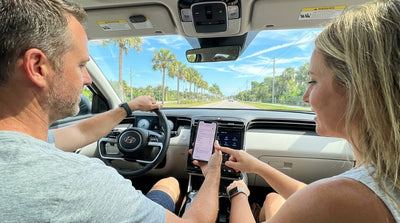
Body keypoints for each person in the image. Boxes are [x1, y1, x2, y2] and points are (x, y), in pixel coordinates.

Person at [0, 0, 222, 222]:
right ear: (38, 67)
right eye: (80, 65)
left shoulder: (22, 142)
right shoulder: (83, 183)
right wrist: (213, 172)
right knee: (171, 183)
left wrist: (130, 107)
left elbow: (81, 133)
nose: (87, 79)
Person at [220, 0, 400, 222]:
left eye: (313, 81)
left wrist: (238, 192)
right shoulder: (379, 179)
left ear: (361, 89)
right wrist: (257, 167)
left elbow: (320, 200)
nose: (305, 97)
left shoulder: (338, 198)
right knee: (273, 200)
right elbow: (313, 198)